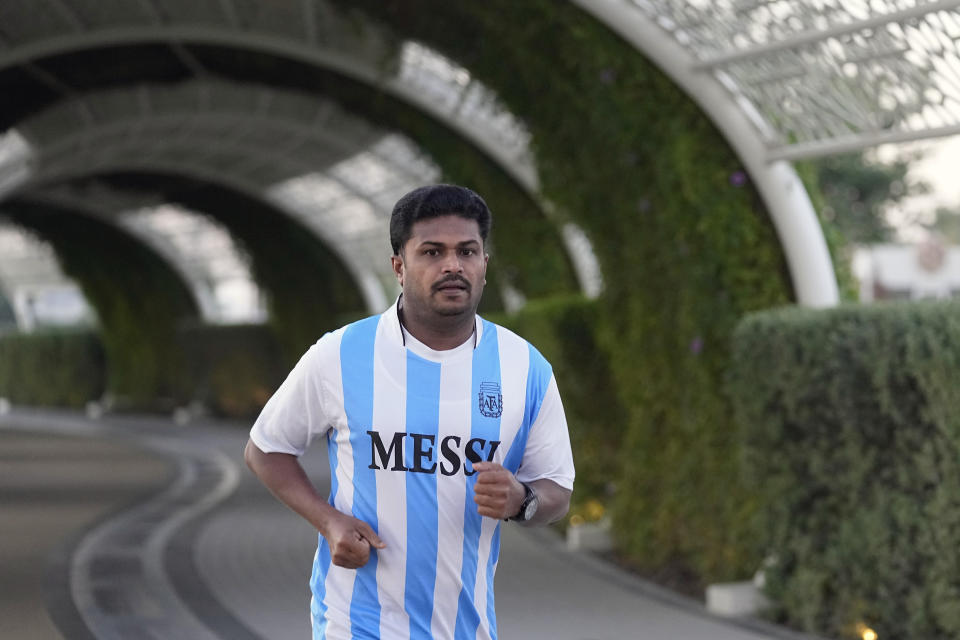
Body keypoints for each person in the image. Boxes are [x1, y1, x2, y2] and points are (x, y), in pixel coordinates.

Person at [244, 184, 575, 640]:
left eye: (467, 251)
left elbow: (557, 489)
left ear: (484, 265)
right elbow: (266, 449)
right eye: (432, 252)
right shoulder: (339, 354)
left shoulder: (525, 368)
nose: (452, 265)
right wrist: (328, 520)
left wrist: (523, 500)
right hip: (355, 623)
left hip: (466, 627)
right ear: (399, 266)